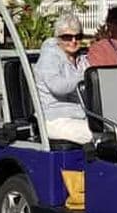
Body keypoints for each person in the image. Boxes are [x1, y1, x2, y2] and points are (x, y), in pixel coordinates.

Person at [34, 13, 92, 144]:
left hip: (79, 115)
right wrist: (85, 76)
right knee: (97, 134)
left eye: (78, 36)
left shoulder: (81, 59)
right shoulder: (49, 58)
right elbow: (58, 87)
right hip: (53, 118)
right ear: (58, 38)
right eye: (67, 37)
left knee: (115, 128)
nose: (73, 41)